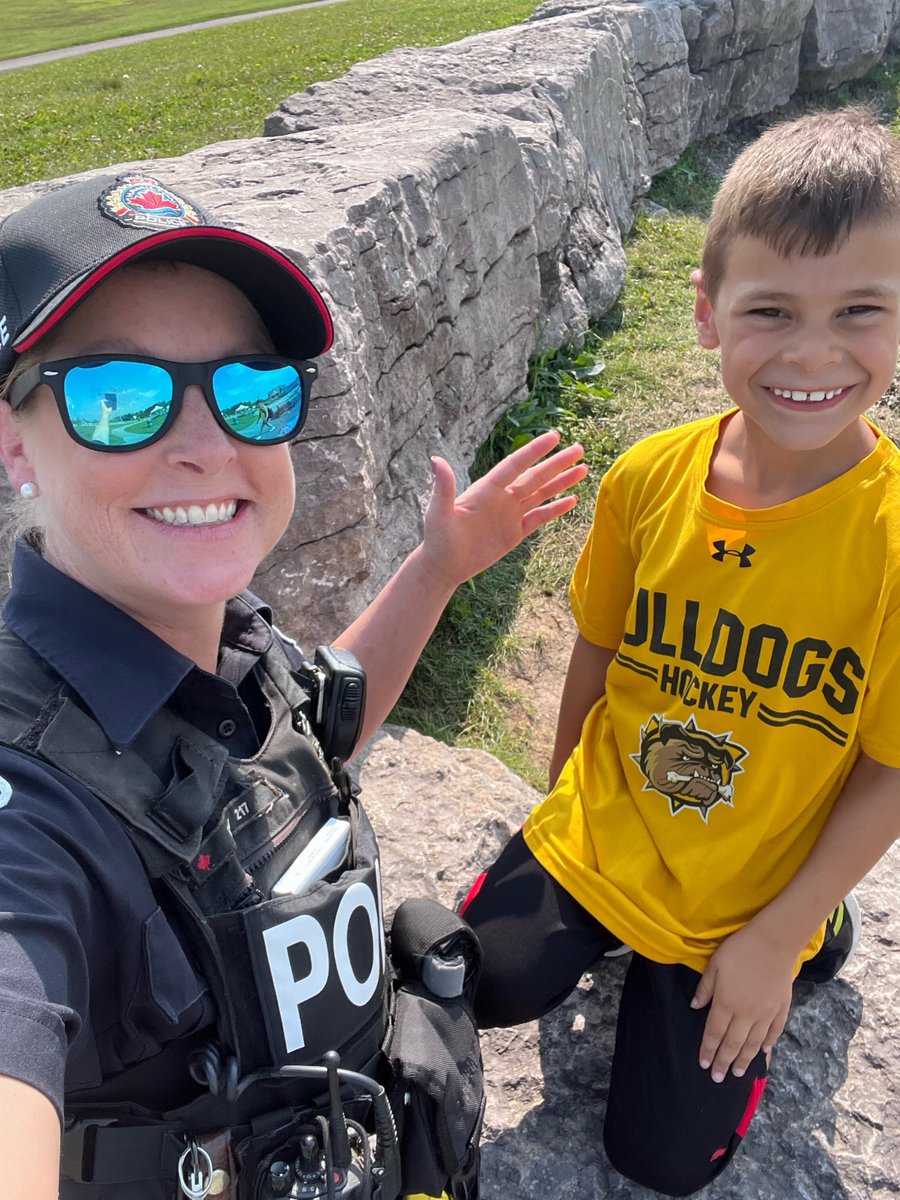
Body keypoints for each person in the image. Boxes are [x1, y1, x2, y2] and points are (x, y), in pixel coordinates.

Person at [0, 172, 588, 1199]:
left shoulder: (224, 649)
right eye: (117, 398)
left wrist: (437, 567)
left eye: (247, 389)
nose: (204, 443)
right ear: (15, 444)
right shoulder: (30, 816)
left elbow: (311, 735)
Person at [461, 107, 900, 1196]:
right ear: (707, 316)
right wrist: (561, 804)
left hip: (744, 892)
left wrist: (776, 934)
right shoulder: (646, 480)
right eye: (769, 311)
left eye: (860, 311)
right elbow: (597, 655)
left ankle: (818, 923)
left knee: (657, 1162)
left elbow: (889, 767)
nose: (811, 352)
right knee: (475, 983)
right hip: (612, 831)